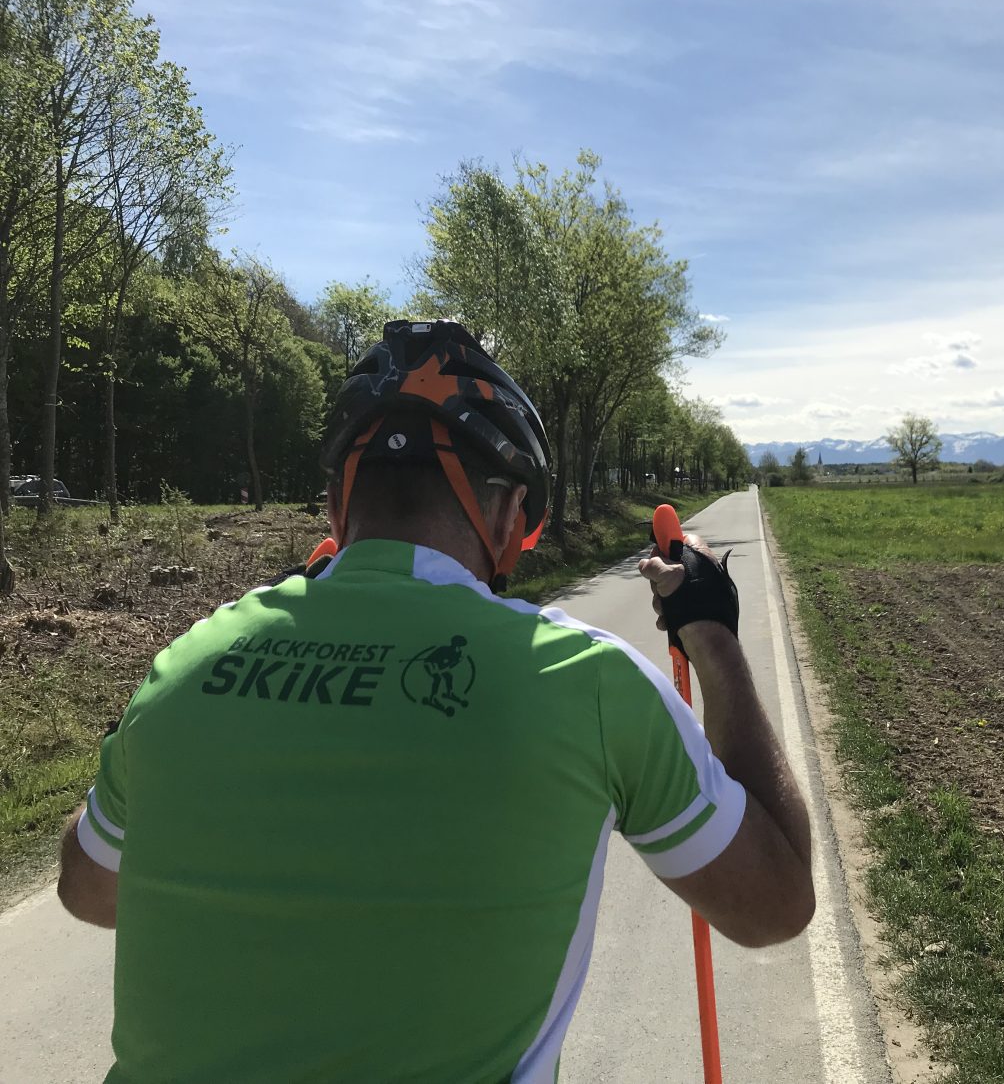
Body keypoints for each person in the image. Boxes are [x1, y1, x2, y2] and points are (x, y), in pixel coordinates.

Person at [56, 319, 814, 1083]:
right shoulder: (591, 681)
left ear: (334, 505)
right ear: (511, 516)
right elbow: (776, 903)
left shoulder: (183, 664)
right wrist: (711, 633)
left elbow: (88, 889)